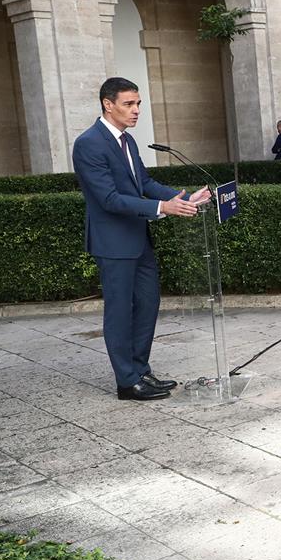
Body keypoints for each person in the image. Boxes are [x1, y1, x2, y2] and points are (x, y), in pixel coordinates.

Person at [72, 77, 212, 401]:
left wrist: (188, 197)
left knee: (148, 303)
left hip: (138, 238)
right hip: (113, 243)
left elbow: (143, 182)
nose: (136, 111)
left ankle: (140, 371)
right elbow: (109, 198)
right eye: (129, 104)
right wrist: (163, 207)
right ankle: (126, 382)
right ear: (108, 104)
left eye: (138, 104)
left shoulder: (128, 141)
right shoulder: (89, 143)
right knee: (120, 311)